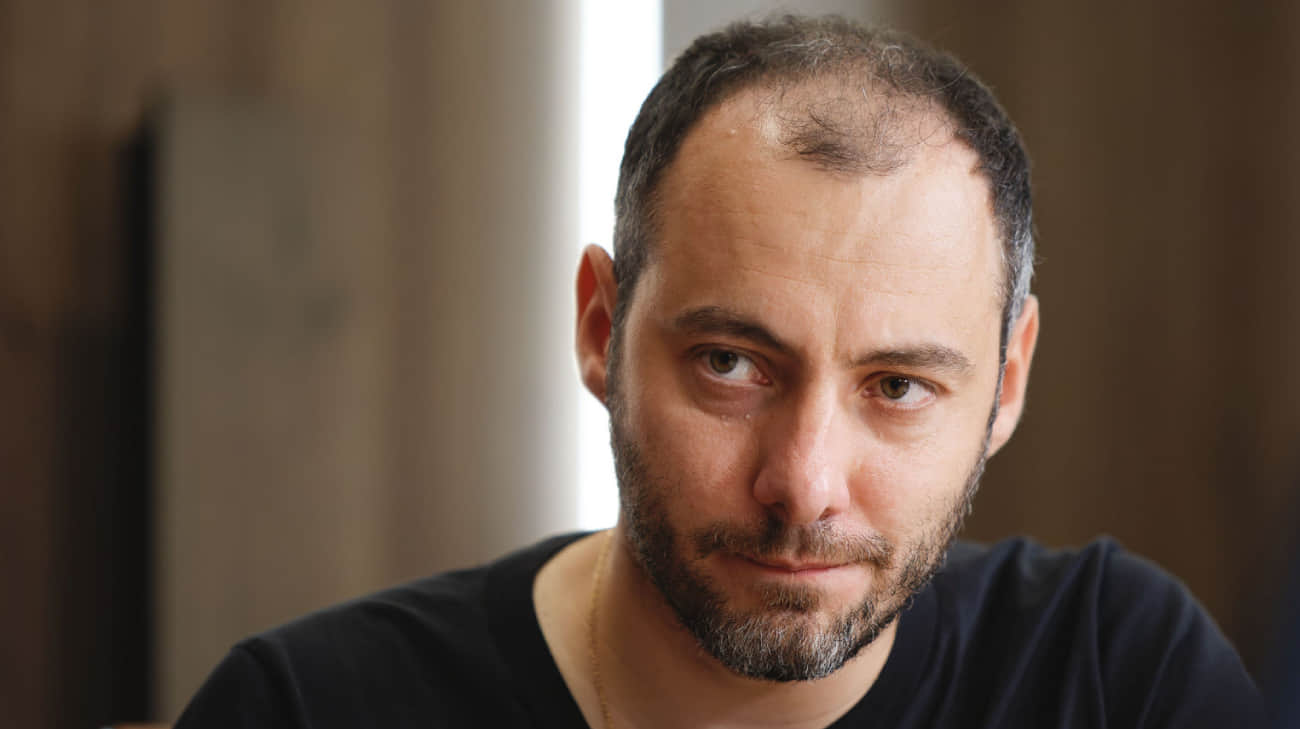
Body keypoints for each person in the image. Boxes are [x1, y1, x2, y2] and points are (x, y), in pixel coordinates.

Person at [175, 15, 1265, 728]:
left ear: (1007, 382)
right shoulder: (309, 709)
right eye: (731, 364)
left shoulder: (1113, 676)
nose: (803, 485)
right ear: (601, 327)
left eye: (897, 387)